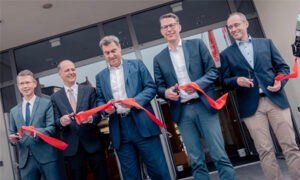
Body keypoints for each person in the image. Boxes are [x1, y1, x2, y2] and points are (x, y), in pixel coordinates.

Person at [153, 13, 236, 180]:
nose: (169, 29)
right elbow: (159, 87)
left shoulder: (197, 45)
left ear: (179, 27)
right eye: (165, 27)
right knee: (196, 160)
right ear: (161, 31)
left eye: (171, 25)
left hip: (204, 106)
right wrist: (166, 92)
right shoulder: (158, 58)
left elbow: (213, 72)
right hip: (182, 113)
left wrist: (197, 84)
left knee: (219, 155)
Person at [220, 12, 300, 180]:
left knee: (290, 146)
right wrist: (236, 80)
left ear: (245, 24)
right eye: (230, 27)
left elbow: (283, 68)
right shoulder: (226, 54)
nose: (233, 29)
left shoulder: (266, 43)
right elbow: (224, 81)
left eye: (236, 25)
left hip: (275, 100)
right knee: (265, 151)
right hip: (251, 108)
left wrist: (280, 83)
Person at [96, 35, 170, 180]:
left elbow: (151, 87)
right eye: (107, 53)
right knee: (131, 176)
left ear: (120, 48)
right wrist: (105, 109)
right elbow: (100, 99)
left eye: (113, 51)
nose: (111, 55)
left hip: (142, 124)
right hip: (119, 129)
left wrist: (134, 101)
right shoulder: (100, 77)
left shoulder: (137, 65)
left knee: (159, 171)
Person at [51, 60, 108, 180]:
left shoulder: (89, 90)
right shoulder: (55, 98)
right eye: (67, 70)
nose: (71, 72)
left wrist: (90, 118)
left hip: (93, 143)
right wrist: (62, 121)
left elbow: (98, 114)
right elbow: (55, 122)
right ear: (60, 74)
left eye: (73, 69)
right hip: (72, 148)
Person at [9, 70, 60, 180]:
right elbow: (12, 133)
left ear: (34, 84)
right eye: (22, 83)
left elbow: (52, 128)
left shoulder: (46, 103)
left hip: (47, 158)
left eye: (27, 82)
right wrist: (12, 140)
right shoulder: (13, 111)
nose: (25, 86)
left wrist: (35, 133)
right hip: (26, 162)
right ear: (18, 86)